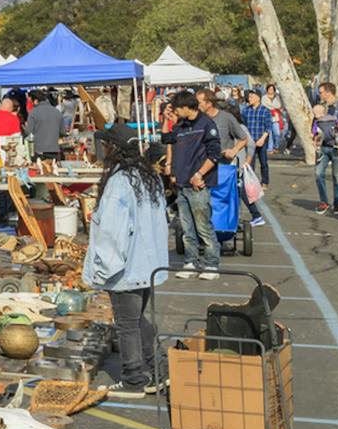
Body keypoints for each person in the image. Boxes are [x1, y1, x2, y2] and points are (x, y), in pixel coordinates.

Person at [84, 128, 170, 397]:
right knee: (135, 319)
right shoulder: (147, 177)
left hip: (126, 266)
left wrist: (103, 269)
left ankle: (134, 377)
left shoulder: (120, 182)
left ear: (113, 148)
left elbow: (112, 232)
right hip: (148, 263)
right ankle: (159, 368)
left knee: (127, 323)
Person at [167, 91, 220, 280]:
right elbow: (167, 140)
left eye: (177, 109)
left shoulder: (206, 124)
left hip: (198, 186)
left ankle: (212, 264)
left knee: (203, 226)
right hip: (182, 185)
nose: (176, 112)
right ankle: (190, 262)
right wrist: (168, 120)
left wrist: (200, 174)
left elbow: (215, 154)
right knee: (187, 228)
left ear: (186, 107)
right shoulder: (181, 126)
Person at [207, 89, 264, 227]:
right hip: (232, 163)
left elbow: (249, 144)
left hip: (236, 163)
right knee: (234, 192)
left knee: (238, 191)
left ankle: (253, 215)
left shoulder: (240, 127)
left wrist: (247, 162)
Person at [314, 82, 338, 215]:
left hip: (337, 147)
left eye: (321, 92)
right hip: (323, 147)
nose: (320, 94)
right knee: (318, 174)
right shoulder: (321, 107)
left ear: (328, 92)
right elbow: (316, 124)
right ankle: (324, 201)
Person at [241, 89, 275, 187]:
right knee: (249, 163)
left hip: (261, 140)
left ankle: (265, 182)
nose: (249, 98)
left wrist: (262, 139)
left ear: (258, 98)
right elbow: (243, 125)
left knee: (263, 162)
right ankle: (250, 182)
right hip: (249, 141)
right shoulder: (246, 110)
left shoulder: (265, 111)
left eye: (252, 97)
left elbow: (268, 127)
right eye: (249, 97)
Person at [26, 92, 64, 160]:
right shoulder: (57, 112)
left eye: (31, 102)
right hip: (54, 149)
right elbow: (63, 132)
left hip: (39, 150)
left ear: (35, 101)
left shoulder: (33, 113)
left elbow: (28, 132)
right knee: (53, 169)